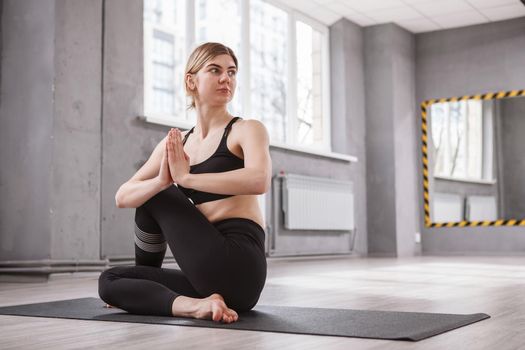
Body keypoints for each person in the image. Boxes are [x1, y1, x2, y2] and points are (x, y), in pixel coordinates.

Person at [98, 42, 272, 324]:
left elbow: (259, 179)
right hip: (208, 277)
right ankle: (194, 305)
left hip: (240, 264)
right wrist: (161, 180)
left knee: (158, 195)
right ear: (191, 80)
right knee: (110, 281)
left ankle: (154, 293)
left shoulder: (246, 129)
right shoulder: (179, 141)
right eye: (214, 70)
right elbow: (123, 196)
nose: (226, 78)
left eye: (232, 72)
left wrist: (186, 178)